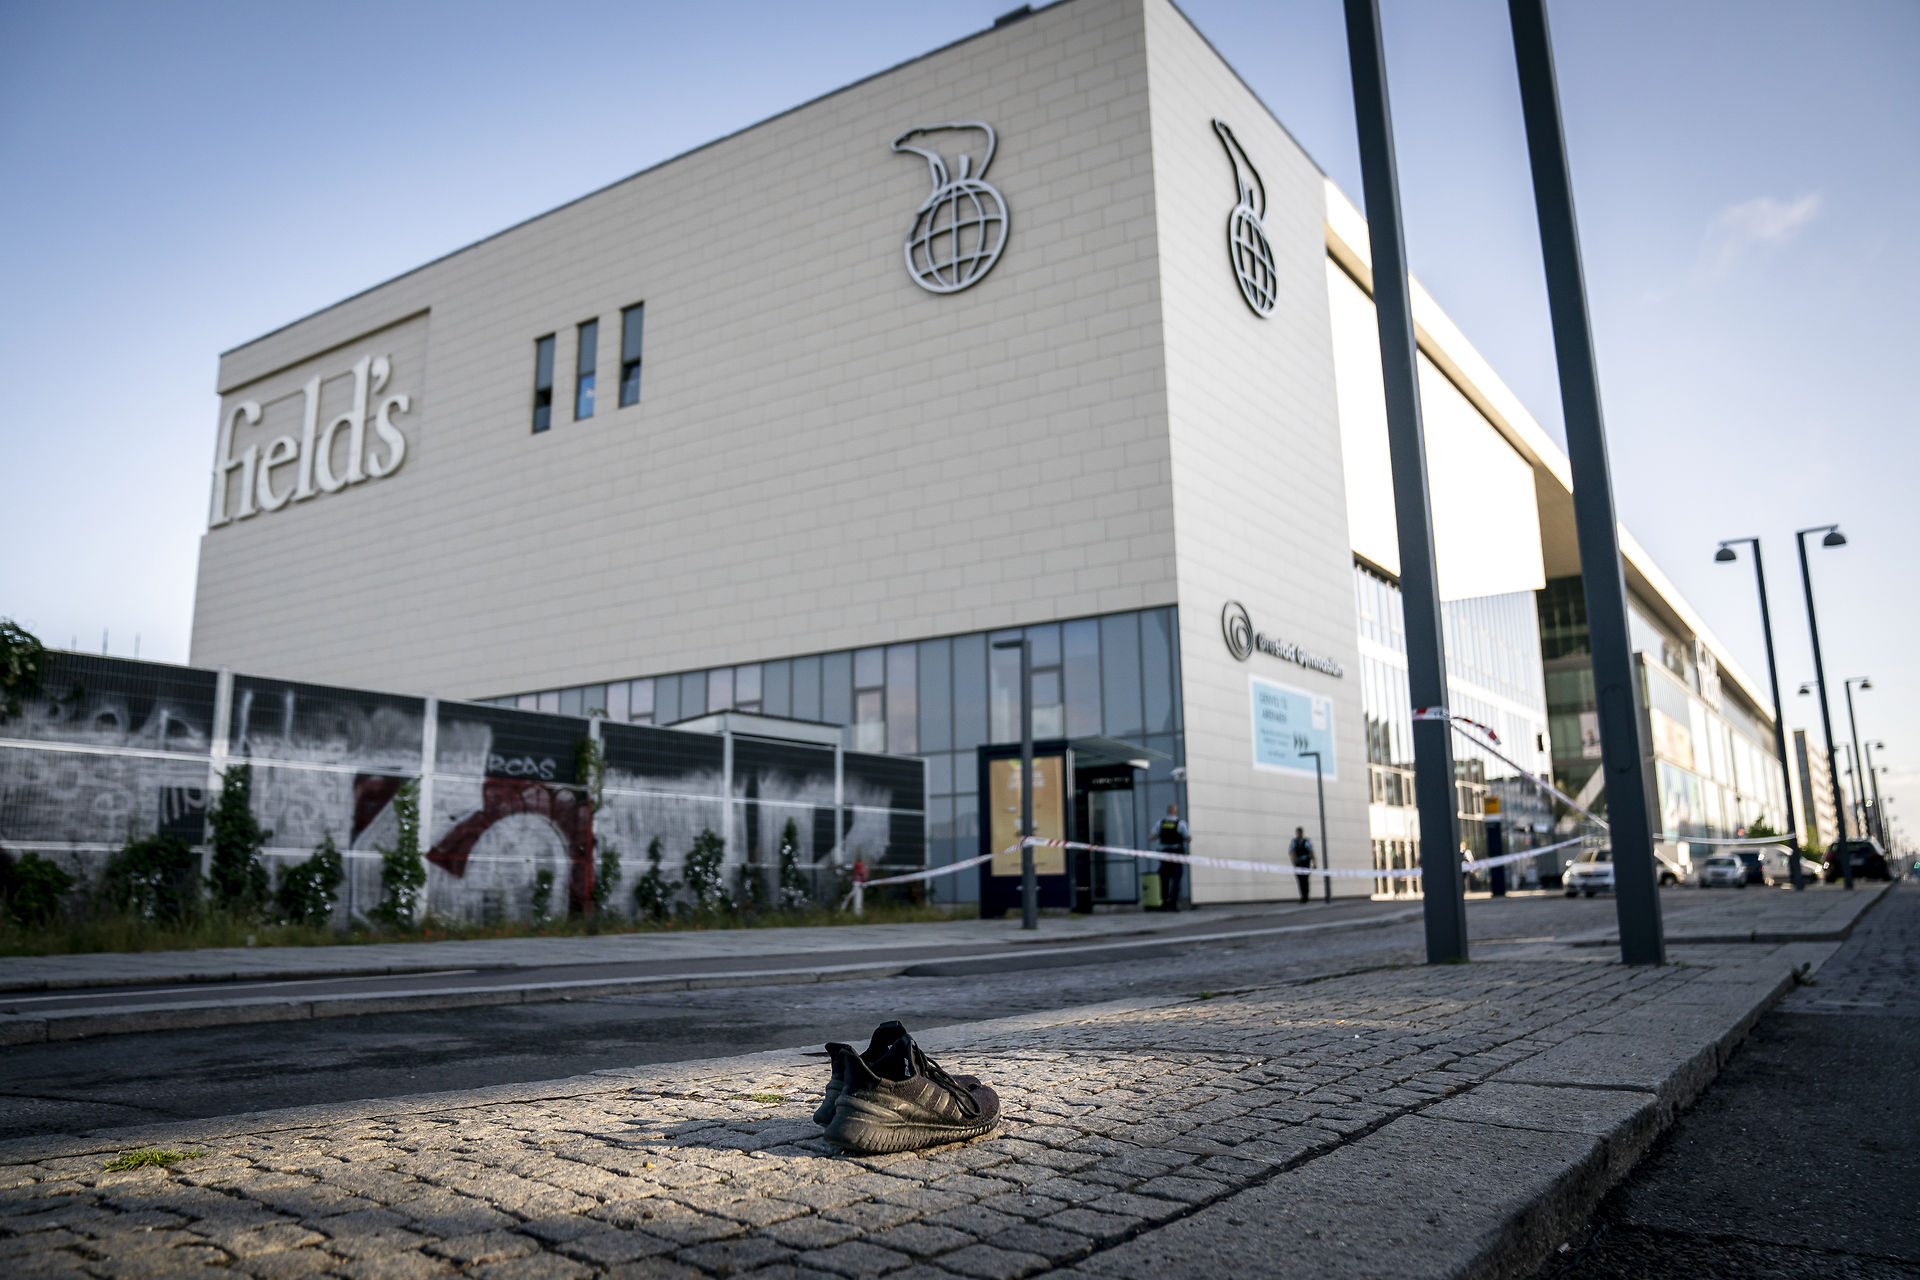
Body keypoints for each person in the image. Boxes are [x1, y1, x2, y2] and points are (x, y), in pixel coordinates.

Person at [1155, 803, 1188, 912]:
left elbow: (1152, 836)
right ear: (1176, 812)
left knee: (1164, 878)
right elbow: (1188, 837)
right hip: (1176, 853)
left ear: (1167, 811)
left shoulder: (1161, 823)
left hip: (1165, 853)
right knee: (1176, 879)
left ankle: (1164, 902)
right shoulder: (1181, 824)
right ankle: (1173, 903)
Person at [1289, 826, 1315, 903]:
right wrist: (1294, 861)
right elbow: (1291, 851)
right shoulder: (1294, 841)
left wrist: (1314, 863)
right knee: (1300, 880)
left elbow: (1311, 852)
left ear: (1302, 833)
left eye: (1299, 833)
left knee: (1305, 880)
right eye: (1297, 833)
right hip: (1298, 863)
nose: (1298, 834)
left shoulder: (1306, 841)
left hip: (1305, 862)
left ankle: (1306, 896)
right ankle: (1302, 896)